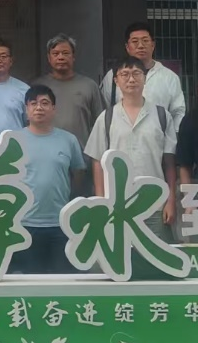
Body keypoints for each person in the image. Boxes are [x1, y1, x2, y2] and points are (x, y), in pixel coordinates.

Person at [84, 57, 177, 242]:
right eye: (125, 74)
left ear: (145, 78)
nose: (131, 79)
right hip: (116, 205)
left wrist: (171, 200)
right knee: (121, 255)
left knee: (155, 254)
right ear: (116, 80)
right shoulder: (106, 117)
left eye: (136, 73)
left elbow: (169, 162)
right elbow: (97, 162)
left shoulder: (162, 115)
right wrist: (101, 201)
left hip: (155, 203)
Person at [10, 85, 85, 274]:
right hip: (24, 224)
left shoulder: (68, 140)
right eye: (33, 103)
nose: (39, 108)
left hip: (61, 224)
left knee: (63, 280)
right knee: (30, 280)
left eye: (45, 103)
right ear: (26, 109)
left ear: (54, 108)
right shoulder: (13, 141)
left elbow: (77, 174)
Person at [99, 22, 187, 131]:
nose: (140, 46)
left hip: (157, 137)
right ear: (127, 47)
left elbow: (178, 112)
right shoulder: (113, 75)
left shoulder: (169, 77)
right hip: (120, 136)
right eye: (135, 41)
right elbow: (103, 108)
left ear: (153, 45)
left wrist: (172, 135)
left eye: (145, 40)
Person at [35, 34, 102, 150]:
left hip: (81, 155)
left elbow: (100, 125)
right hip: (46, 153)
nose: (61, 57)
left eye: (65, 53)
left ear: (73, 56)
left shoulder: (89, 86)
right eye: (55, 54)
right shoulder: (37, 87)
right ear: (49, 58)